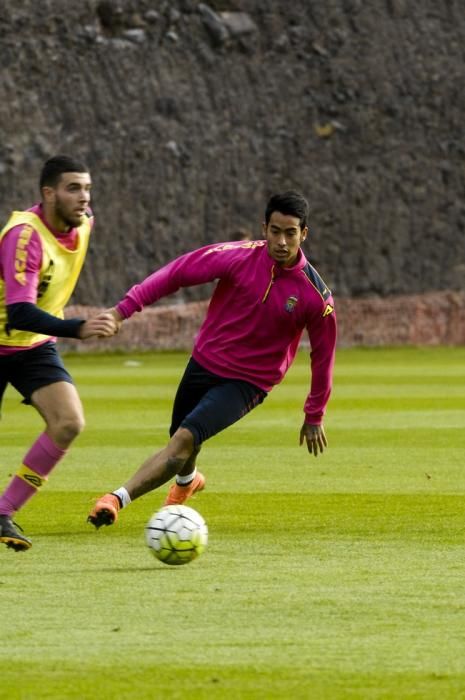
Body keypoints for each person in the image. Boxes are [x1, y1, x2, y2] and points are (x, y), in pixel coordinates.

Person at [87, 190, 337, 529]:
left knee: (183, 441)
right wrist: (122, 310)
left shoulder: (315, 296)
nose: (281, 241)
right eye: (275, 231)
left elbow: (323, 356)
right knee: (180, 440)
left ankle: (114, 499)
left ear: (304, 234)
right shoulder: (235, 257)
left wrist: (314, 414)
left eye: (290, 233)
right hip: (204, 362)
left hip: (248, 382)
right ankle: (188, 483)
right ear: (264, 228)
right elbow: (177, 273)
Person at [0, 155, 117, 551]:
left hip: (31, 346)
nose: (84, 198)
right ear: (48, 194)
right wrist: (77, 328)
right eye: (73, 189)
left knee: (68, 422)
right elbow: (19, 310)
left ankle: (3, 514)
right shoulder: (24, 236)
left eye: (86, 188)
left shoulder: (84, 224)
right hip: (11, 332)